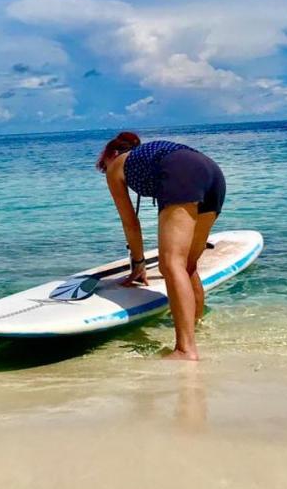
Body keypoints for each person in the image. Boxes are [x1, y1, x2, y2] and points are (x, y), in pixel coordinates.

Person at [96, 132, 226, 360]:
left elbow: (130, 222)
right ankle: (195, 324)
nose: (105, 170)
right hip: (212, 173)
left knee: (171, 264)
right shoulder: (149, 156)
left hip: (180, 172)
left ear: (112, 154)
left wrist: (138, 263)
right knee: (187, 265)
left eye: (103, 165)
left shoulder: (117, 165)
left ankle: (185, 350)